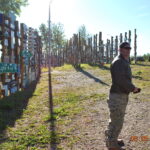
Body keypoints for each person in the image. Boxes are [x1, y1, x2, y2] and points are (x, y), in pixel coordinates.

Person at [105, 42, 141, 150]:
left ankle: (112, 140)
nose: (128, 50)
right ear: (120, 49)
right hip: (118, 96)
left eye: (129, 48)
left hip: (120, 95)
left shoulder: (122, 60)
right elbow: (121, 80)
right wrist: (133, 88)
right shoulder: (119, 62)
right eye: (125, 48)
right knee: (116, 121)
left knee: (116, 119)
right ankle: (112, 145)